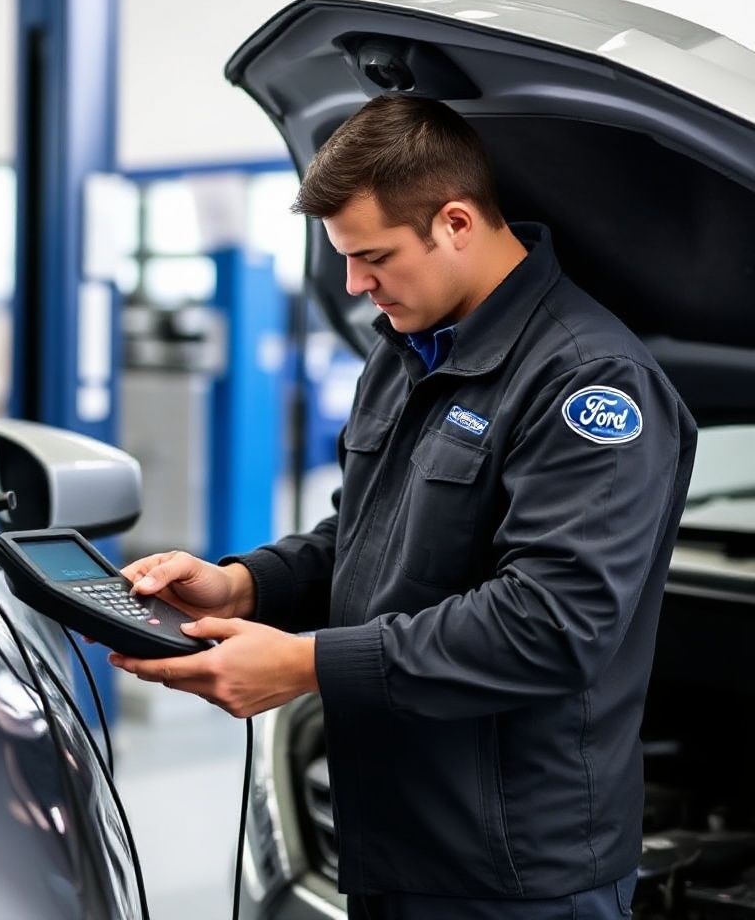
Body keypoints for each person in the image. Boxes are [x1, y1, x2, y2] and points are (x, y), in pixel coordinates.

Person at [108, 94, 698, 919]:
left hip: (513, 867)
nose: (355, 284)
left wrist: (305, 663)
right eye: (344, 258)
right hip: (392, 832)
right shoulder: (406, 350)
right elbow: (364, 536)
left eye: (374, 256)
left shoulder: (588, 381)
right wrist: (245, 586)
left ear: (456, 222)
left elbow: (552, 623)